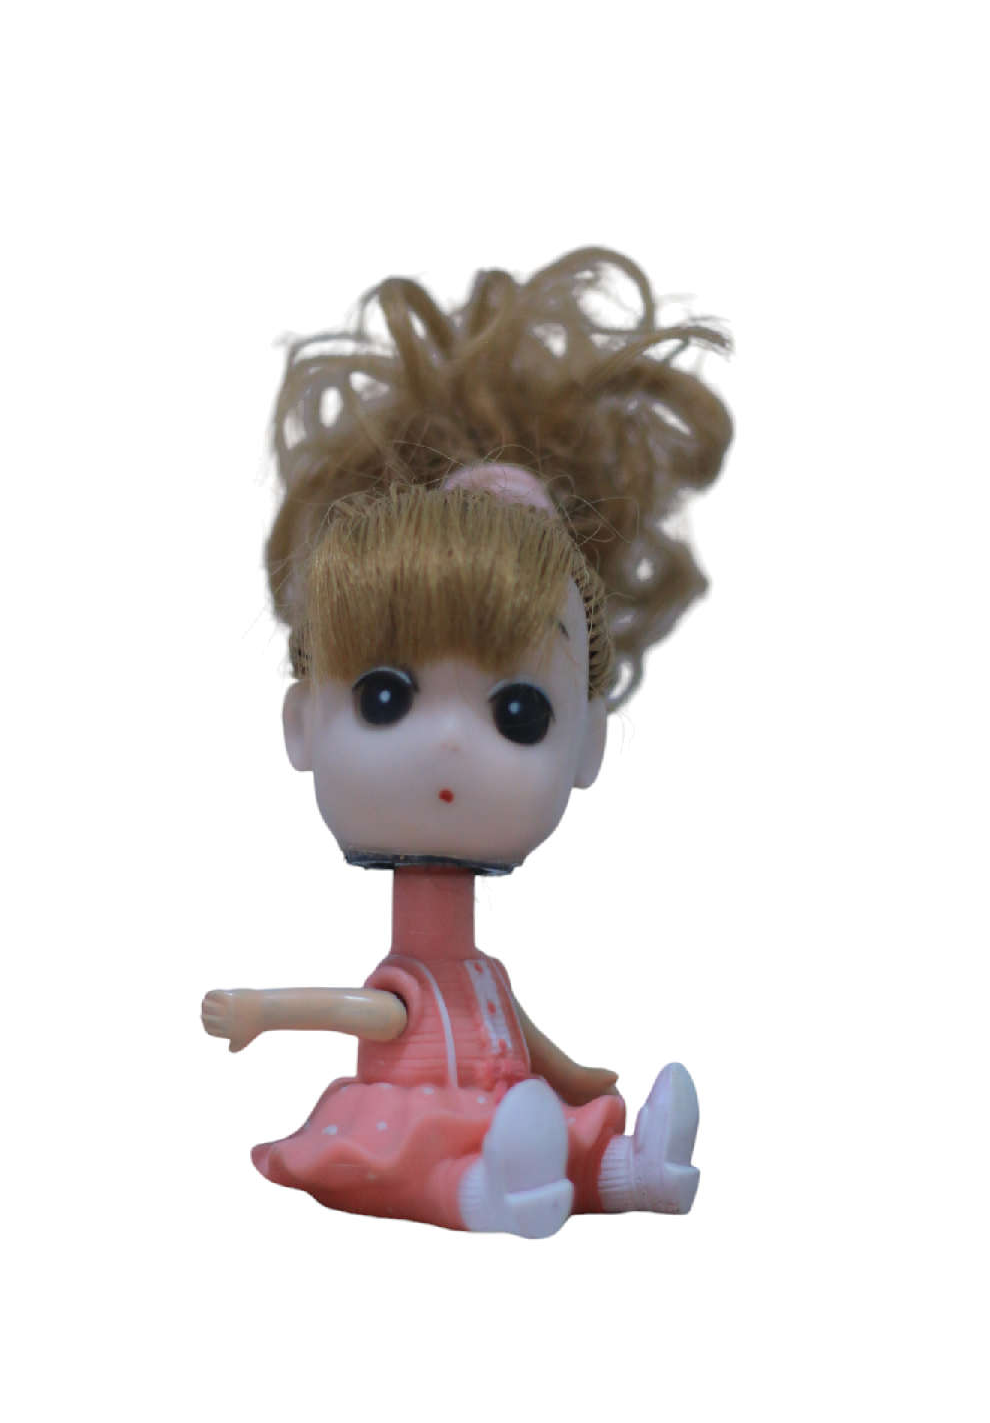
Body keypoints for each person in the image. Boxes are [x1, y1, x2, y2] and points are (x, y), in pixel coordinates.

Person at [202, 247, 732, 1236]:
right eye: (386, 697)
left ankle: (633, 1171)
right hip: (411, 1116)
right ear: (301, 723)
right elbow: (361, 1014)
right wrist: (261, 1010)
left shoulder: (484, 981)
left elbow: (520, 1033)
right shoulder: (412, 980)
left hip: (503, 1108)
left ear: (588, 746)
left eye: (517, 714)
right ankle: (485, 1193)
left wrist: (575, 1075)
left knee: (556, 1129)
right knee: (406, 1158)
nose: (450, 744)